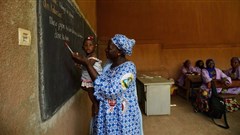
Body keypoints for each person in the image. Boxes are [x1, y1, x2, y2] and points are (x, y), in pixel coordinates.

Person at [72, 34, 143, 135]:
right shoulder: (108, 66)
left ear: (119, 52)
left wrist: (87, 64)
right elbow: (97, 84)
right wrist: (96, 103)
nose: (106, 50)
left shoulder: (129, 69)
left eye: (109, 48)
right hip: (106, 117)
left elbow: (111, 91)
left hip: (121, 118)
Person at [79, 36, 102, 134]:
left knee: (90, 91)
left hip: (92, 79)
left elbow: (88, 64)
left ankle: (96, 104)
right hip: (87, 78)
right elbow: (84, 64)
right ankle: (95, 104)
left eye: (90, 45)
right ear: (83, 47)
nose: (88, 47)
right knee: (88, 90)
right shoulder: (87, 57)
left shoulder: (93, 56)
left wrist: (79, 61)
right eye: (86, 45)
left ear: (95, 46)